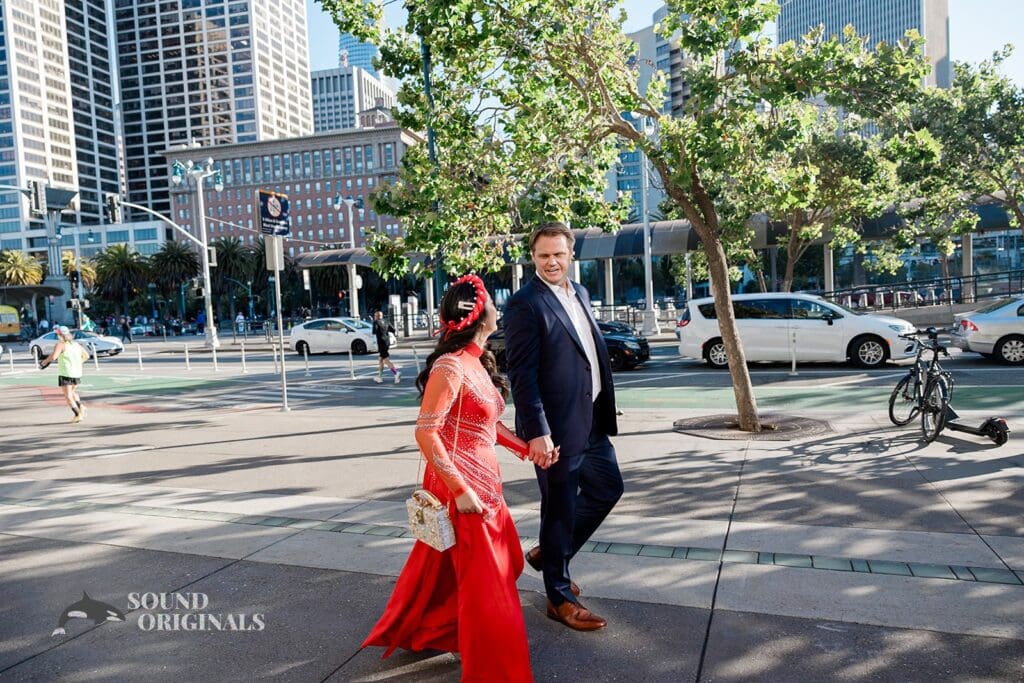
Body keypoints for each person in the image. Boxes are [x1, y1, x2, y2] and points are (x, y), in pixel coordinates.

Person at [363, 274, 549, 682]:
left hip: (487, 484)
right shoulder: (449, 367)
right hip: (464, 490)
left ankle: (434, 627)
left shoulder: (477, 361)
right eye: (493, 304)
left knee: (494, 565)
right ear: (480, 316)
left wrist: (526, 448)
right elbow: (426, 431)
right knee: (491, 585)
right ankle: (496, 669)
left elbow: (486, 424)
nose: (498, 309)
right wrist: (460, 490)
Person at [503, 221, 623, 632]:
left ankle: (548, 555)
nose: (551, 262)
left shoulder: (581, 292)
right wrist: (537, 432)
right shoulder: (525, 303)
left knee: (608, 489)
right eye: (543, 256)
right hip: (553, 429)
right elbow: (521, 373)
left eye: (557, 254)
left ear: (570, 253)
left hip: (590, 419)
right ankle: (558, 596)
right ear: (533, 258)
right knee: (559, 509)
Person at [39, 326, 90, 424]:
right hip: (77, 372)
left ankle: (77, 414)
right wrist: (77, 363)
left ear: (59, 335)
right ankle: (81, 407)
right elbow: (86, 356)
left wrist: (44, 362)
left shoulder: (61, 344)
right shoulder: (75, 344)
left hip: (66, 372)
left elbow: (53, 357)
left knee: (68, 396)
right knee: (73, 392)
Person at [371, 310, 400, 384]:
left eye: (375, 316)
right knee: (381, 360)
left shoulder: (376, 322)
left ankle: (396, 373)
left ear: (376, 316)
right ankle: (379, 377)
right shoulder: (386, 321)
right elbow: (393, 329)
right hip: (387, 342)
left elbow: (374, 331)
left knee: (386, 360)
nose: (375, 317)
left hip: (381, 343)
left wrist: (374, 323)